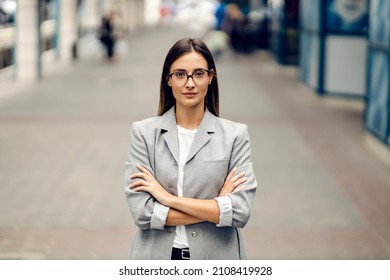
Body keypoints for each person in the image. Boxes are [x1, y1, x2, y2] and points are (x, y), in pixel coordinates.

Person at [124, 38, 257, 260]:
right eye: (180, 74)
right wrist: (216, 208)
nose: (190, 83)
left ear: (210, 77)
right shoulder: (144, 134)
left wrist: (167, 199)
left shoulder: (235, 135)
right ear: (168, 79)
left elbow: (240, 212)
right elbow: (143, 214)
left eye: (198, 73)